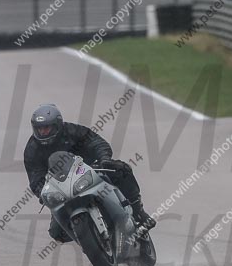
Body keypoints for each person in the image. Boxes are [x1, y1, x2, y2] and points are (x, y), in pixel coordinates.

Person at [23, 103, 155, 244]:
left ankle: (139, 213)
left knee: (121, 170)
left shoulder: (73, 131)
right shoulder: (32, 149)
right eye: (39, 129)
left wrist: (104, 159)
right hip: (62, 188)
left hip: (89, 170)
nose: (43, 132)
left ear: (57, 125)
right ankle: (88, 241)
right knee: (57, 232)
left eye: (46, 128)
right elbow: (35, 177)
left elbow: (97, 142)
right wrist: (44, 193)